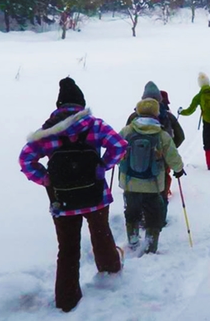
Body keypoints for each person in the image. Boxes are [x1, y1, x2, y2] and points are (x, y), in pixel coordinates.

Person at [19, 78, 129, 313]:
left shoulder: (47, 132)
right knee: (101, 234)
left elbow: (25, 160)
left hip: (62, 200)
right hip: (95, 195)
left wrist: (46, 179)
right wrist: (102, 166)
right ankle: (110, 271)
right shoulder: (94, 125)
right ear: (81, 104)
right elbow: (119, 146)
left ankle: (66, 299)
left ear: (59, 106)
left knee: (67, 249)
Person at [119, 98, 185, 254]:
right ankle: (151, 243)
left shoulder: (127, 131)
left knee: (132, 211)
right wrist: (179, 169)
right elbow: (172, 155)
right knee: (154, 214)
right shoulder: (161, 134)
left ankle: (133, 238)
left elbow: (115, 149)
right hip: (153, 184)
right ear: (156, 113)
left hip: (130, 182)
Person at [125, 81, 185, 221]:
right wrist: (168, 150)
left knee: (136, 186)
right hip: (161, 160)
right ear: (160, 99)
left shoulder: (134, 116)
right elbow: (181, 136)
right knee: (160, 190)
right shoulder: (168, 116)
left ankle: (137, 219)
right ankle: (158, 220)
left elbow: (125, 139)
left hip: (135, 160)